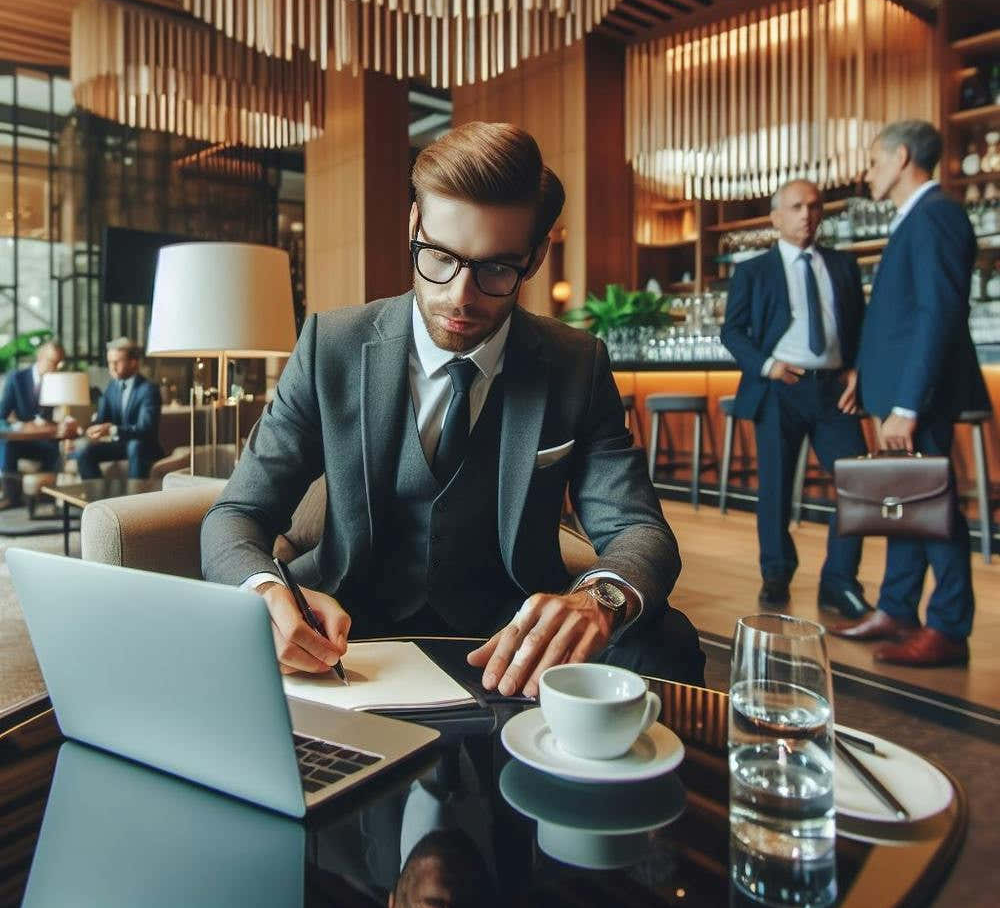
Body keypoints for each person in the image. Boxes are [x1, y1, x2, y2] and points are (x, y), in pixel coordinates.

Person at [202, 121, 705, 694]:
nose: (460, 296)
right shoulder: (330, 347)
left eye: (496, 268)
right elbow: (235, 516)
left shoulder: (575, 365)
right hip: (347, 625)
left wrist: (599, 600)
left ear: (536, 257)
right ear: (415, 225)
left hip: (506, 634)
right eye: (439, 257)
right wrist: (267, 592)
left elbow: (637, 527)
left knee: (667, 643)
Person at [834, 120, 989, 667]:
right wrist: (866, 376)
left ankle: (948, 626)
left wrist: (905, 405)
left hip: (917, 398)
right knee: (906, 502)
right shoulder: (915, 218)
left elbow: (936, 315)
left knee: (934, 505)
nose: (868, 172)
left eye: (874, 161)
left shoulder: (937, 215)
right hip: (896, 390)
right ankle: (897, 607)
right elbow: (899, 321)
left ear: (902, 158)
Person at [721, 179, 871, 619]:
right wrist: (768, 365)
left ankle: (840, 581)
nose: (807, 214)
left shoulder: (843, 266)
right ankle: (777, 573)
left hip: (833, 391)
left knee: (858, 483)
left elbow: (860, 329)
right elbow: (732, 331)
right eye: (796, 207)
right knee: (776, 490)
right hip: (777, 387)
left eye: (813, 206)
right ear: (776, 217)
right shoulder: (753, 270)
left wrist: (857, 373)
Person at [74, 337, 163, 480]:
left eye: (117, 362)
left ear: (133, 363)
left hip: (143, 446)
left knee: (135, 445)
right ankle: (97, 498)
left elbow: (146, 429)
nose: (112, 367)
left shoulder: (148, 389)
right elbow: (102, 420)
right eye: (109, 362)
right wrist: (86, 429)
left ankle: (134, 500)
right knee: (84, 450)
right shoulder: (112, 386)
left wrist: (111, 429)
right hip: (120, 445)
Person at [0, 339, 66, 508]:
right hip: (23, 440)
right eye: (52, 362)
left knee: (57, 452)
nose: (56, 367)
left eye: (59, 363)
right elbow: (2, 415)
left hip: (46, 443)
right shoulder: (17, 379)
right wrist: (20, 426)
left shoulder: (59, 381)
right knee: (8, 445)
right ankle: (11, 497)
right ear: (40, 357)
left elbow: (62, 415)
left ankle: (45, 497)